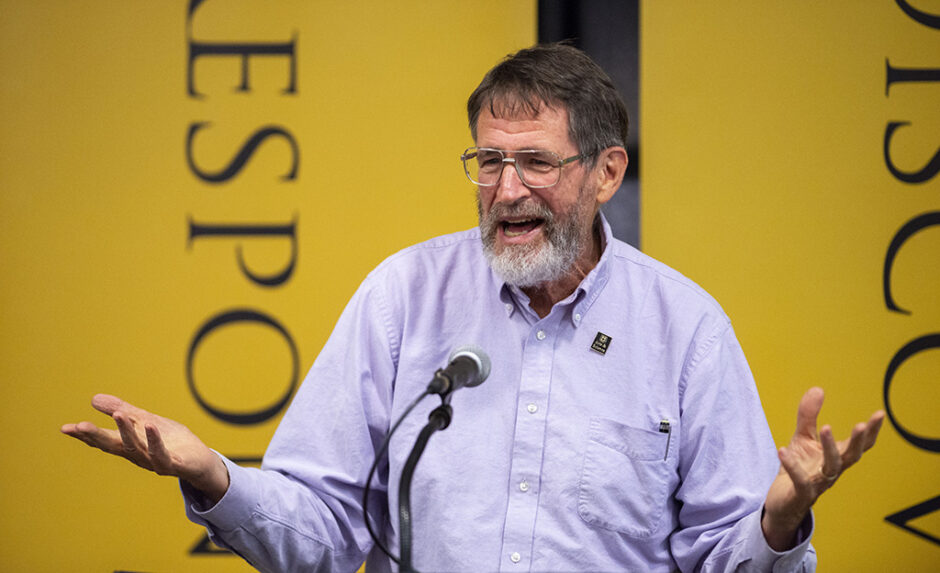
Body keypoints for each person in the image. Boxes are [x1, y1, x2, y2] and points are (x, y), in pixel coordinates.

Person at [62, 44, 884, 572]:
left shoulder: (686, 327)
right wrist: (215, 475)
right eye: (488, 161)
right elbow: (321, 534)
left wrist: (778, 525)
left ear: (606, 174)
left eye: (534, 162)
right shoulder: (402, 296)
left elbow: (725, 560)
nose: (506, 188)